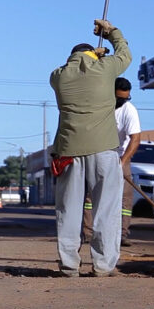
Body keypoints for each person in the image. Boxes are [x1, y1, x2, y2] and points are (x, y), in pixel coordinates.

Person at [49, 19, 132, 277]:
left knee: (69, 210)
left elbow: (73, 66)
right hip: (104, 150)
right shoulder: (105, 69)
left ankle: (69, 265)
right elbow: (125, 54)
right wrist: (109, 33)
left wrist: (90, 56)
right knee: (106, 209)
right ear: (92, 54)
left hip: (69, 151)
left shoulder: (58, 77)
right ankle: (104, 265)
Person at [82, 77, 141, 246]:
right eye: (119, 98)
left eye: (125, 98)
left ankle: (121, 234)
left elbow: (135, 139)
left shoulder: (129, 110)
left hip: (119, 156)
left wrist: (122, 162)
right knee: (90, 197)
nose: (122, 101)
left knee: (125, 199)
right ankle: (88, 233)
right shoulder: (97, 107)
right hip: (97, 155)